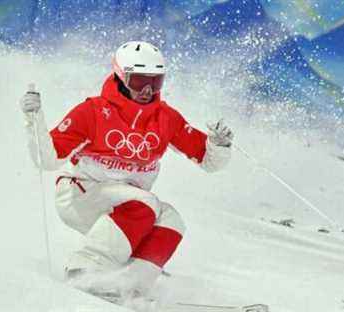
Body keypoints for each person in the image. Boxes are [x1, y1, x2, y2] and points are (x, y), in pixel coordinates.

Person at [18, 41, 233, 304]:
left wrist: (219, 145)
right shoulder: (93, 111)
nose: (146, 90)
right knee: (146, 202)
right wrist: (33, 119)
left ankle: (132, 284)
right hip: (80, 194)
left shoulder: (165, 118)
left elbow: (208, 161)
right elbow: (46, 159)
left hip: (127, 208)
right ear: (121, 76)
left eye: (155, 83)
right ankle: (85, 268)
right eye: (139, 80)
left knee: (172, 220)